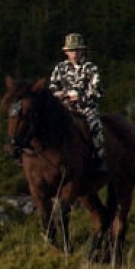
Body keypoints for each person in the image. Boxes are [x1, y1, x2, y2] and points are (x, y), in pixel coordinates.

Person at [49, 32, 106, 175]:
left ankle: (100, 159)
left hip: (86, 108)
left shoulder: (91, 68)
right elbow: (52, 87)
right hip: (65, 108)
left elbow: (97, 91)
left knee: (95, 126)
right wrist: (61, 95)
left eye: (76, 50)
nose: (74, 53)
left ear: (82, 51)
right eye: (71, 50)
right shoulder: (60, 68)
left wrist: (80, 97)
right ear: (66, 52)